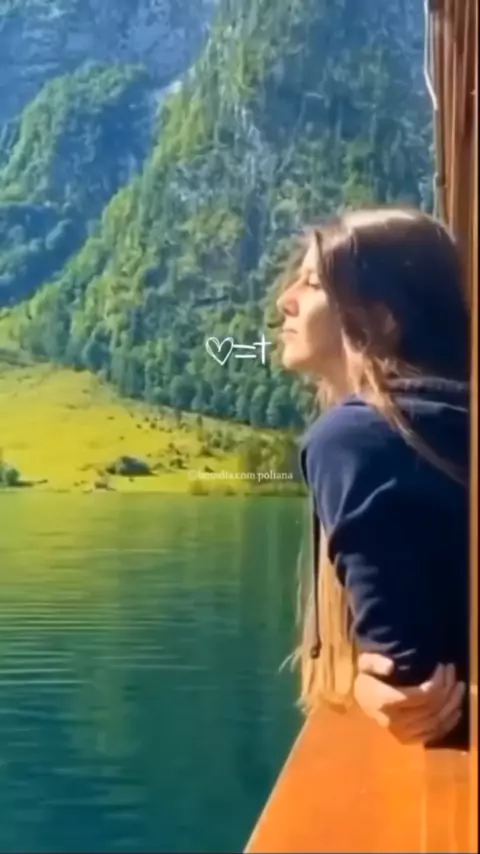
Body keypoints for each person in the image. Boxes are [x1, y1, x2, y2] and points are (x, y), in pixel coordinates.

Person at [275, 207, 470, 749]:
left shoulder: (359, 439)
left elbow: (413, 688)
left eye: (314, 284)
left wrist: (373, 686)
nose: (285, 300)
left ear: (381, 320)